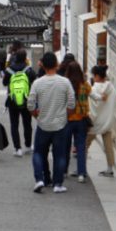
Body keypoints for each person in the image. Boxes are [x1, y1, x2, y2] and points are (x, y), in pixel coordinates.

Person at [28, 52, 75, 193]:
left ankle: (39, 179)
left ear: (42, 64)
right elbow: (72, 104)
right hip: (60, 124)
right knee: (59, 155)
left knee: (38, 153)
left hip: (43, 124)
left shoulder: (37, 83)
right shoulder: (65, 82)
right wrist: (64, 116)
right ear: (56, 64)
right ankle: (58, 184)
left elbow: (30, 104)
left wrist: (36, 115)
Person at [86, 65, 116, 176]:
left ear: (97, 76)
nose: (93, 78)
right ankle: (110, 168)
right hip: (107, 122)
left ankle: (81, 168)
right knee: (108, 146)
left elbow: (91, 106)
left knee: (85, 144)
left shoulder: (93, 89)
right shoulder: (112, 89)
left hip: (94, 123)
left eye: (93, 76)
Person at [3, 48, 35, 157]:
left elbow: (4, 82)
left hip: (12, 100)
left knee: (14, 124)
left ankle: (18, 148)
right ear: (25, 58)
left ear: (15, 57)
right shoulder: (29, 69)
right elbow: (34, 81)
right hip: (26, 100)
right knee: (27, 123)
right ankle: (28, 145)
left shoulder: (9, 69)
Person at [63, 61, 91, 183]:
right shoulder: (84, 85)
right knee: (80, 147)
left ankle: (64, 171)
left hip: (67, 119)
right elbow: (92, 93)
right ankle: (81, 173)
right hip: (81, 119)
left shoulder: (65, 84)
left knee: (65, 147)